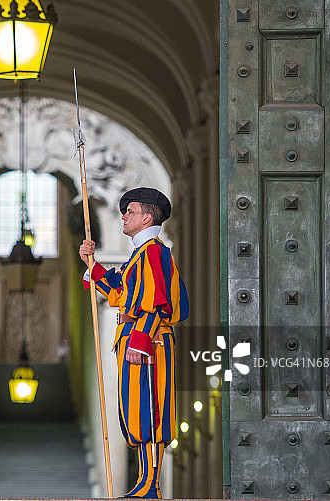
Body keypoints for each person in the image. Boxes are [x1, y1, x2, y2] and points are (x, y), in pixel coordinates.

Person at [79, 187, 188, 498]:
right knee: (136, 411)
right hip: (137, 340)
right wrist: (91, 263)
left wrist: (140, 341)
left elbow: (158, 302)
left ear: (147, 218)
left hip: (149, 342)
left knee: (150, 411)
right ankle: (144, 481)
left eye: (131, 211)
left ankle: (151, 485)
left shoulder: (154, 251)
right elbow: (119, 292)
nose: (124, 216)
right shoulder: (139, 256)